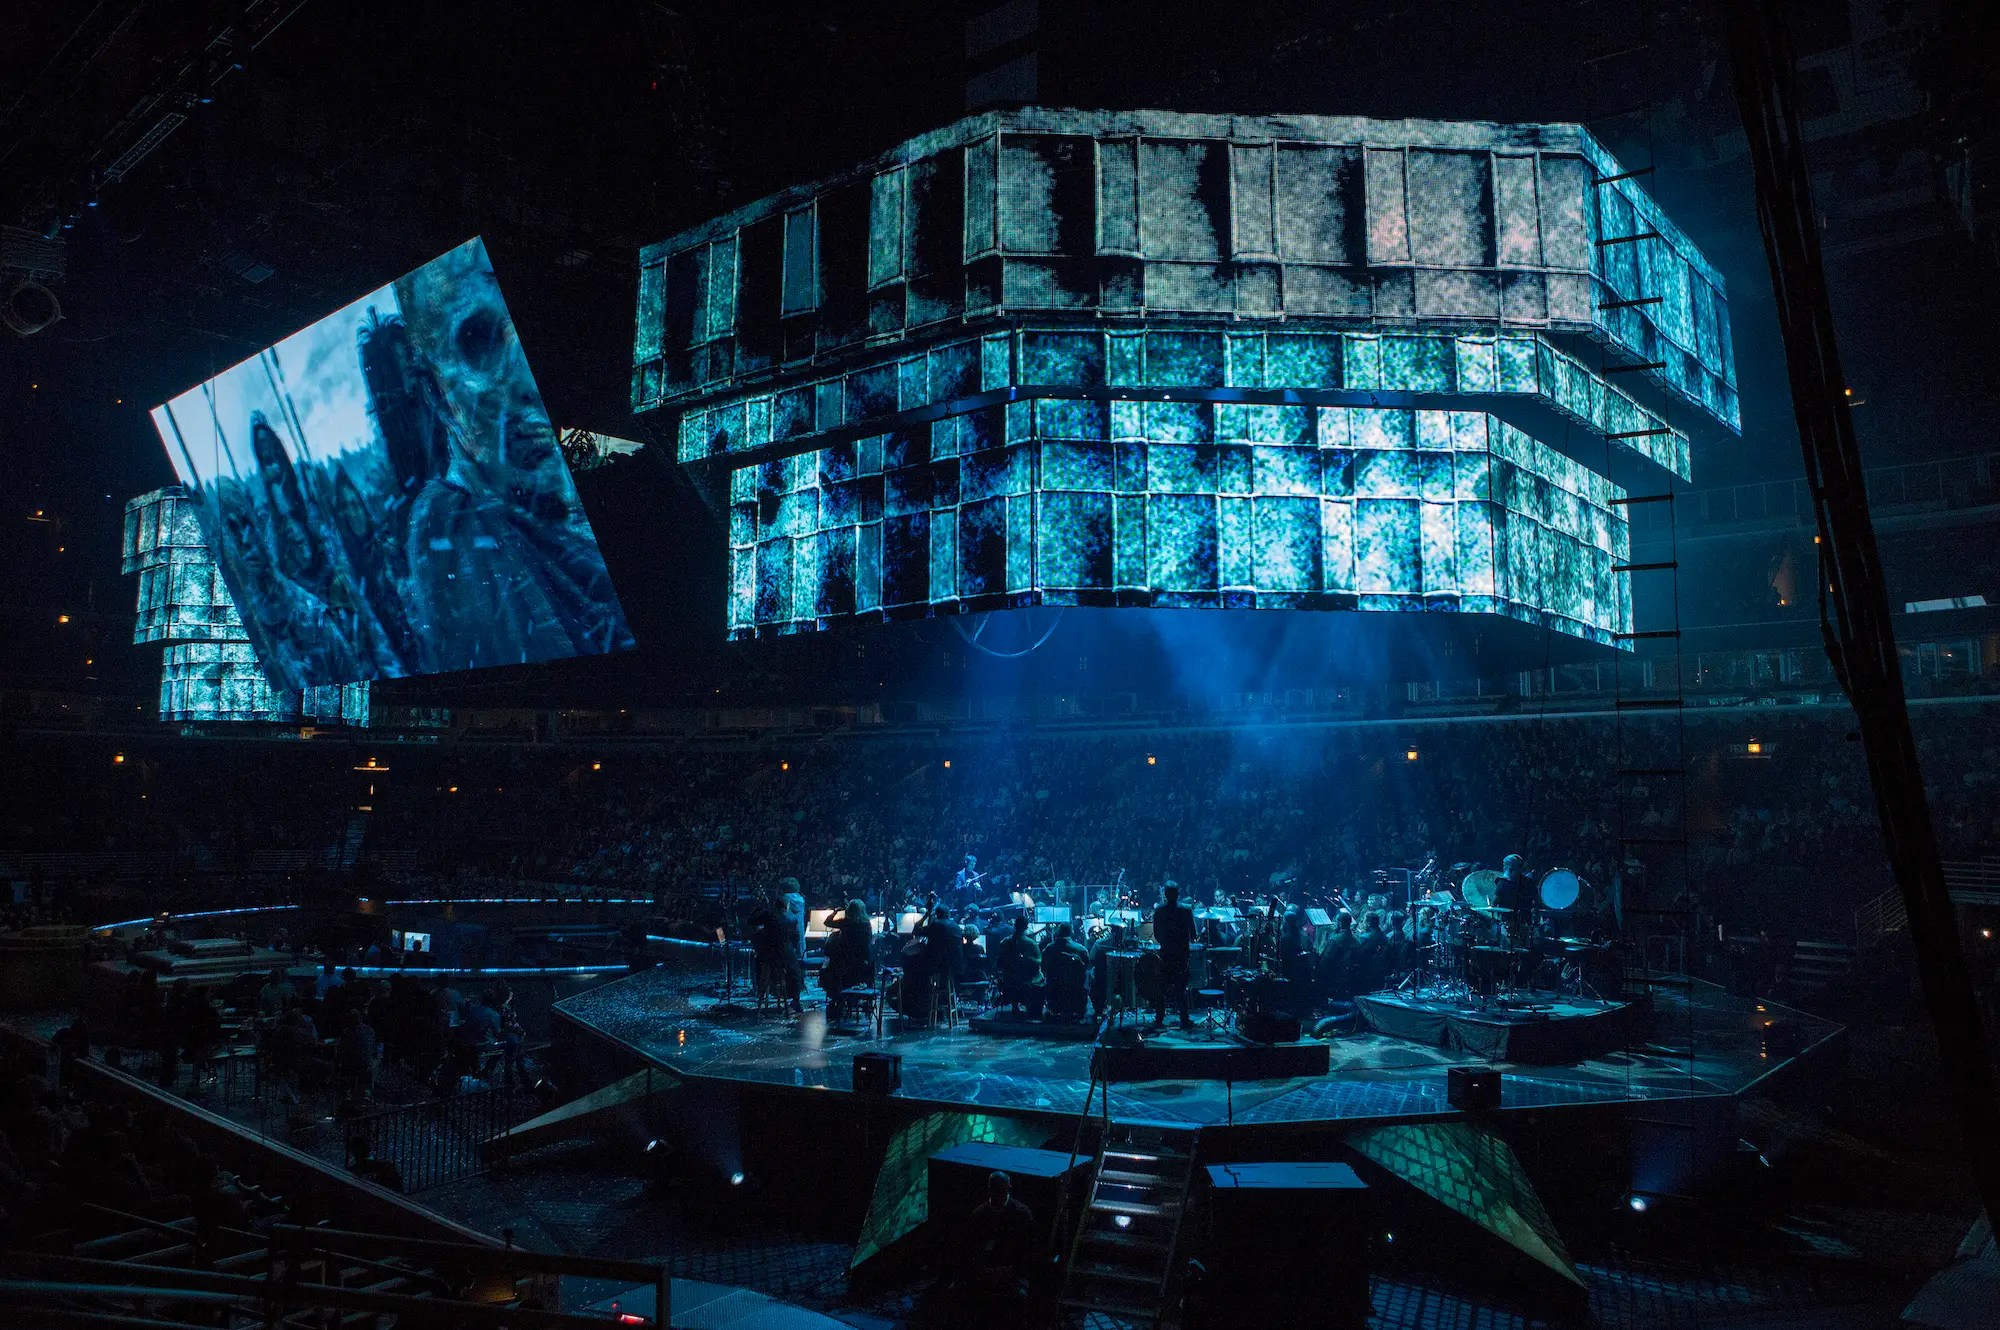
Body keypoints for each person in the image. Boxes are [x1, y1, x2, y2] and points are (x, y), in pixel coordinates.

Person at [961, 1170, 1036, 1322]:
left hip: (1013, 1272)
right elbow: (971, 1248)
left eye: (1000, 1191)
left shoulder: (1022, 1214)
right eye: (996, 1191)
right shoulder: (979, 1215)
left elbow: (1030, 1249)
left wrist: (1011, 1269)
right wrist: (984, 1269)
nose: (998, 1195)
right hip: (986, 1270)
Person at [1151, 884, 1195, 1028]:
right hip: (1182, 952)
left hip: (1166, 952)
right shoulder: (1186, 910)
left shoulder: (1159, 910)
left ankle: (1159, 1018)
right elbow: (1193, 933)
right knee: (1181, 987)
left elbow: (1156, 933)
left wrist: (1165, 942)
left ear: (1165, 894)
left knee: (1162, 986)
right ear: (1178, 893)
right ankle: (1184, 1019)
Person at [993, 911, 1042, 1016]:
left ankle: (1015, 1006)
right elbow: (1039, 961)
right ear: (1026, 927)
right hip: (1026, 979)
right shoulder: (1031, 943)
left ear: (1014, 925)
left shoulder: (1004, 942)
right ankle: (1031, 1005)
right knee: (1040, 976)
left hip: (1008, 979)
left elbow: (999, 962)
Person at [1041, 923, 1090, 1023]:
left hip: (1055, 992)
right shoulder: (1081, 949)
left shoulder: (1049, 949)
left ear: (1058, 932)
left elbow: (1043, 968)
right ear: (1071, 932)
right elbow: (1087, 967)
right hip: (1075, 992)